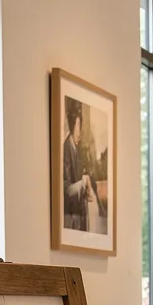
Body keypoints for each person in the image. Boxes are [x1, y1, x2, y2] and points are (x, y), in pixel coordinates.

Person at [62, 99, 94, 231]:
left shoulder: (74, 147)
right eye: (78, 126)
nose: (79, 133)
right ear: (71, 125)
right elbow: (67, 189)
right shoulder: (67, 148)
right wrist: (84, 182)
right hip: (68, 203)